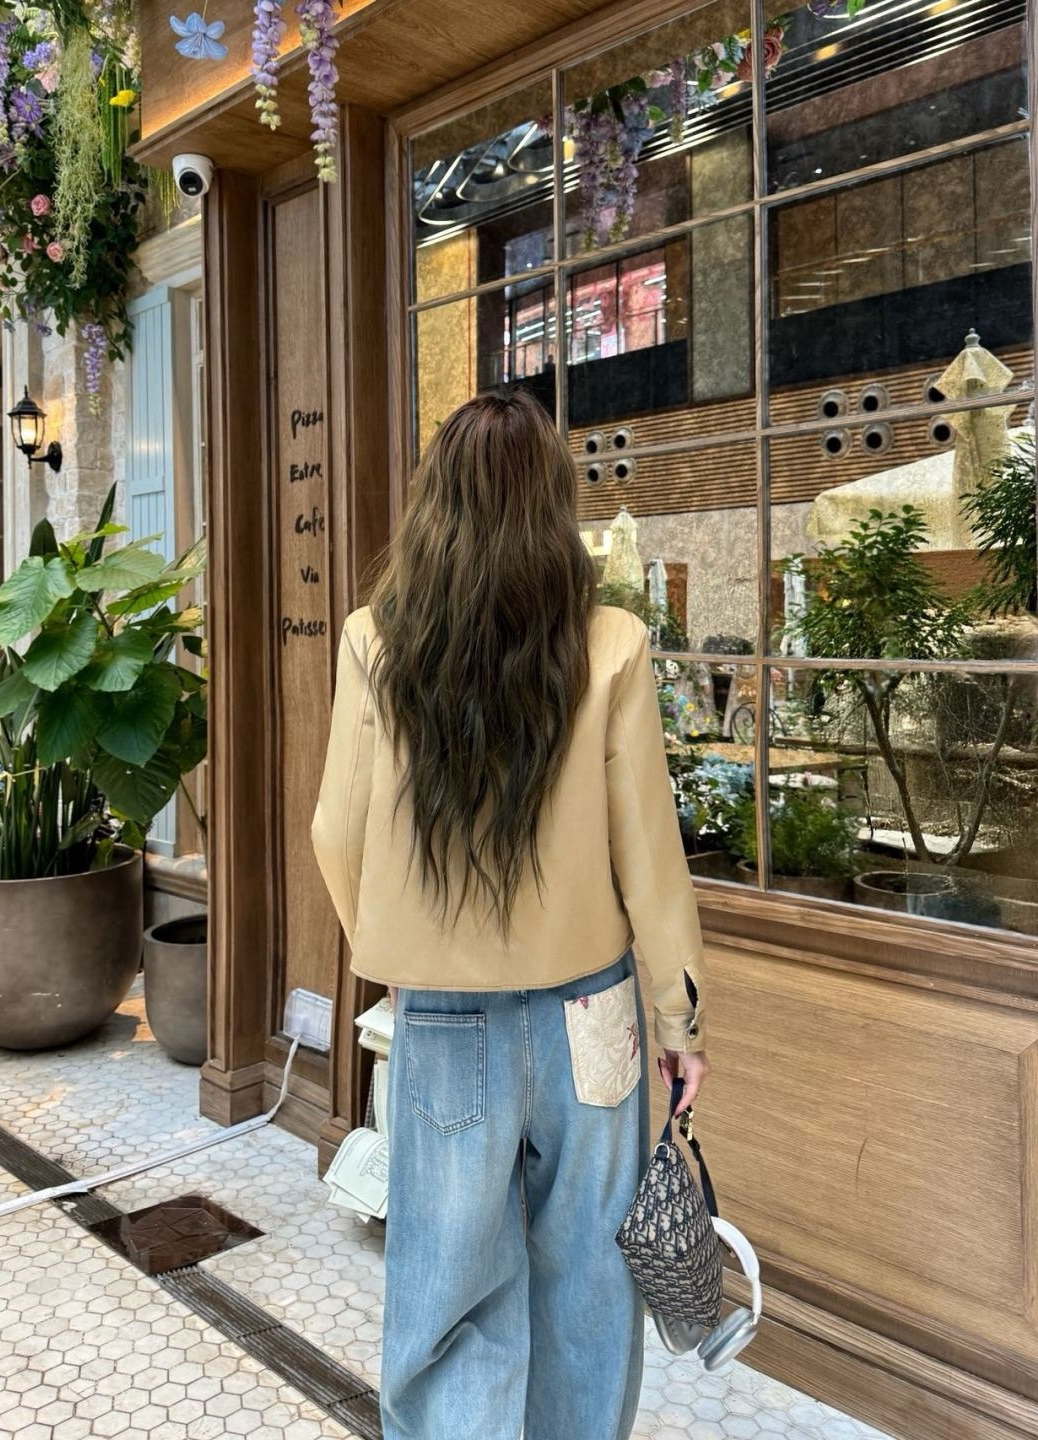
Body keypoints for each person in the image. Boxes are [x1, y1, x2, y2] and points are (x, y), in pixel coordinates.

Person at [311, 390, 708, 1440]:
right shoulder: (613, 643)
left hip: (446, 1015)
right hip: (595, 1017)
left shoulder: (375, 641)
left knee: (449, 1291)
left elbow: (335, 833)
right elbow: (649, 859)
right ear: (553, 504)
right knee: (589, 1282)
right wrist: (680, 1022)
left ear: (434, 500)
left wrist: (395, 948)